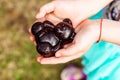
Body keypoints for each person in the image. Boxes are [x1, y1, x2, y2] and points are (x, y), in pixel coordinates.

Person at [29, 0, 120, 80]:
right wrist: (92, 4)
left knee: (105, 69)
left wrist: (100, 30)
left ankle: (89, 74)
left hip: (115, 42)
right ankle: (85, 69)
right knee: (90, 53)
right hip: (107, 11)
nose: (59, 29)